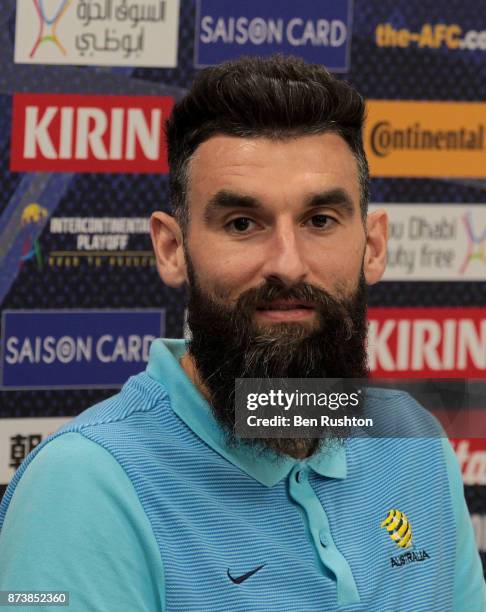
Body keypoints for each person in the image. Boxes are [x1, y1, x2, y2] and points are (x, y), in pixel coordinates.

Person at [0, 55, 484, 611]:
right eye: (241, 224)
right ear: (172, 247)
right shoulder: (86, 487)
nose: (288, 264)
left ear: (372, 246)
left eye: (320, 220)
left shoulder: (414, 439)